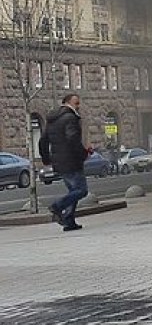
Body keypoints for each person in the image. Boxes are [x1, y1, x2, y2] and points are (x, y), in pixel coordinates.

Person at [45, 93, 91, 232]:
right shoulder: (70, 118)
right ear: (67, 103)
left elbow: (43, 140)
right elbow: (72, 139)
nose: (78, 106)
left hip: (59, 162)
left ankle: (68, 220)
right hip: (72, 161)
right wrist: (83, 154)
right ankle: (57, 206)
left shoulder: (52, 119)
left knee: (73, 191)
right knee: (81, 191)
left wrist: (46, 158)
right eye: (76, 103)